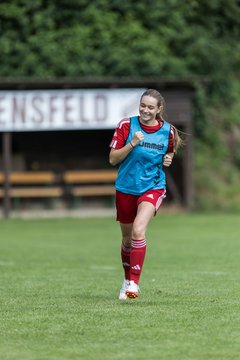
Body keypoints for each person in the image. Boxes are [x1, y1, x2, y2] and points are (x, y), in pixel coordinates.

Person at [109, 88, 183, 300]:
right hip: (126, 187)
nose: (145, 110)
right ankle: (126, 280)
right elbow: (113, 159)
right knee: (127, 239)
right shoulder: (126, 125)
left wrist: (168, 158)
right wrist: (132, 143)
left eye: (150, 107)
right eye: (143, 105)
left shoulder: (168, 131)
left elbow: (169, 150)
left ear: (159, 109)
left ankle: (134, 284)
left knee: (138, 230)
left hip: (152, 187)